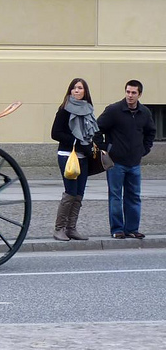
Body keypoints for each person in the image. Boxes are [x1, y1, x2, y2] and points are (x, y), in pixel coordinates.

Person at [98, 80, 155, 239]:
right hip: (115, 162)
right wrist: (105, 148)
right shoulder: (114, 110)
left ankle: (132, 228)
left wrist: (143, 150)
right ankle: (117, 229)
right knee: (116, 196)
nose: (130, 95)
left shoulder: (145, 112)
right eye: (128, 92)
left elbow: (151, 132)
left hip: (134, 163)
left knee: (134, 196)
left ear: (139, 94)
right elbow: (97, 129)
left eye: (133, 93)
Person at [50, 78, 100, 241]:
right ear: (70, 91)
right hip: (67, 155)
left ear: (85, 92)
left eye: (80, 88)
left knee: (79, 194)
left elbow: (93, 131)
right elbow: (55, 133)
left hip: (83, 156)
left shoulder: (88, 110)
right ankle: (59, 229)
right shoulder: (64, 109)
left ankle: (71, 228)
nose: (76, 91)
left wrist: (94, 145)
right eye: (74, 88)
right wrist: (76, 142)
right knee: (70, 193)